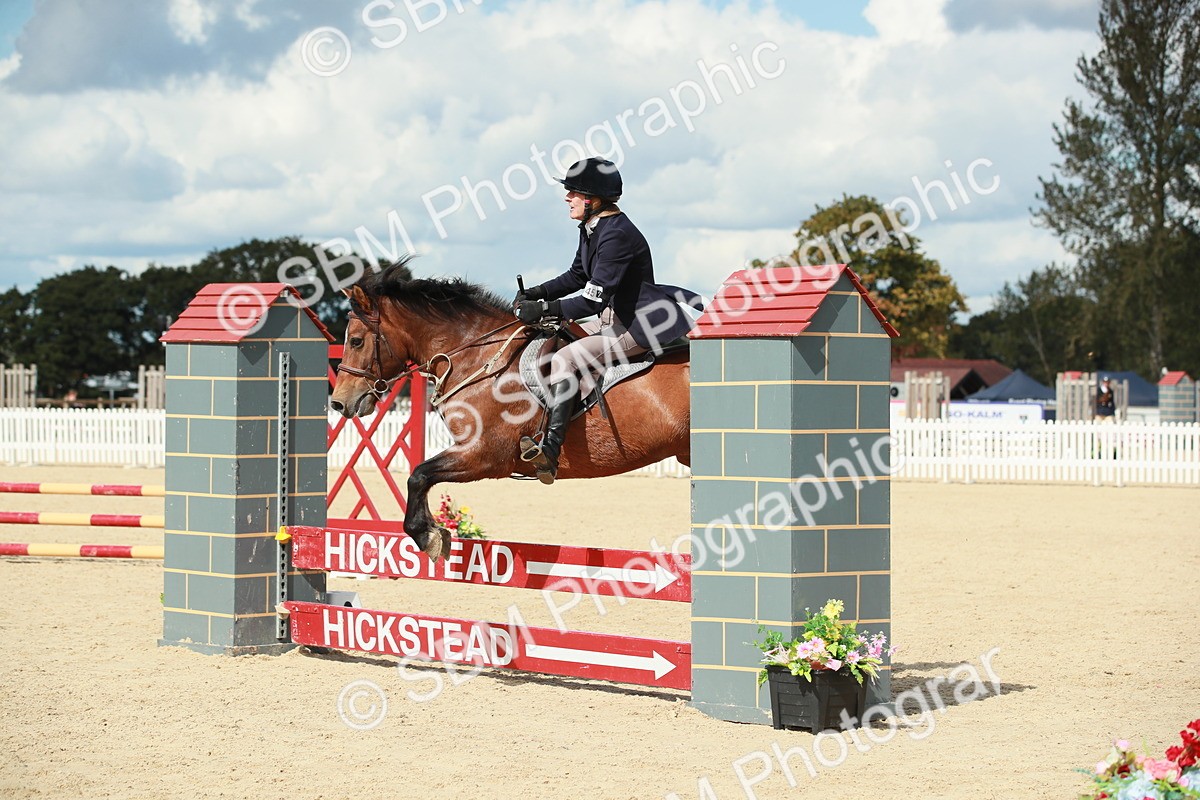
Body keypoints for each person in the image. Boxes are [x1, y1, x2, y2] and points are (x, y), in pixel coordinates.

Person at [513, 157, 699, 484]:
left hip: (637, 325)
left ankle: (551, 451)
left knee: (567, 359)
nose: (566, 198)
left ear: (593, 200)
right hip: (613, 319)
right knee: (554, 341)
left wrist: (544, 310)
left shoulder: (617, 235)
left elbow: (589, 300)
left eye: (573, 193)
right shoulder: (593, 228)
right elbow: (577, 275)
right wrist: (536, 292)